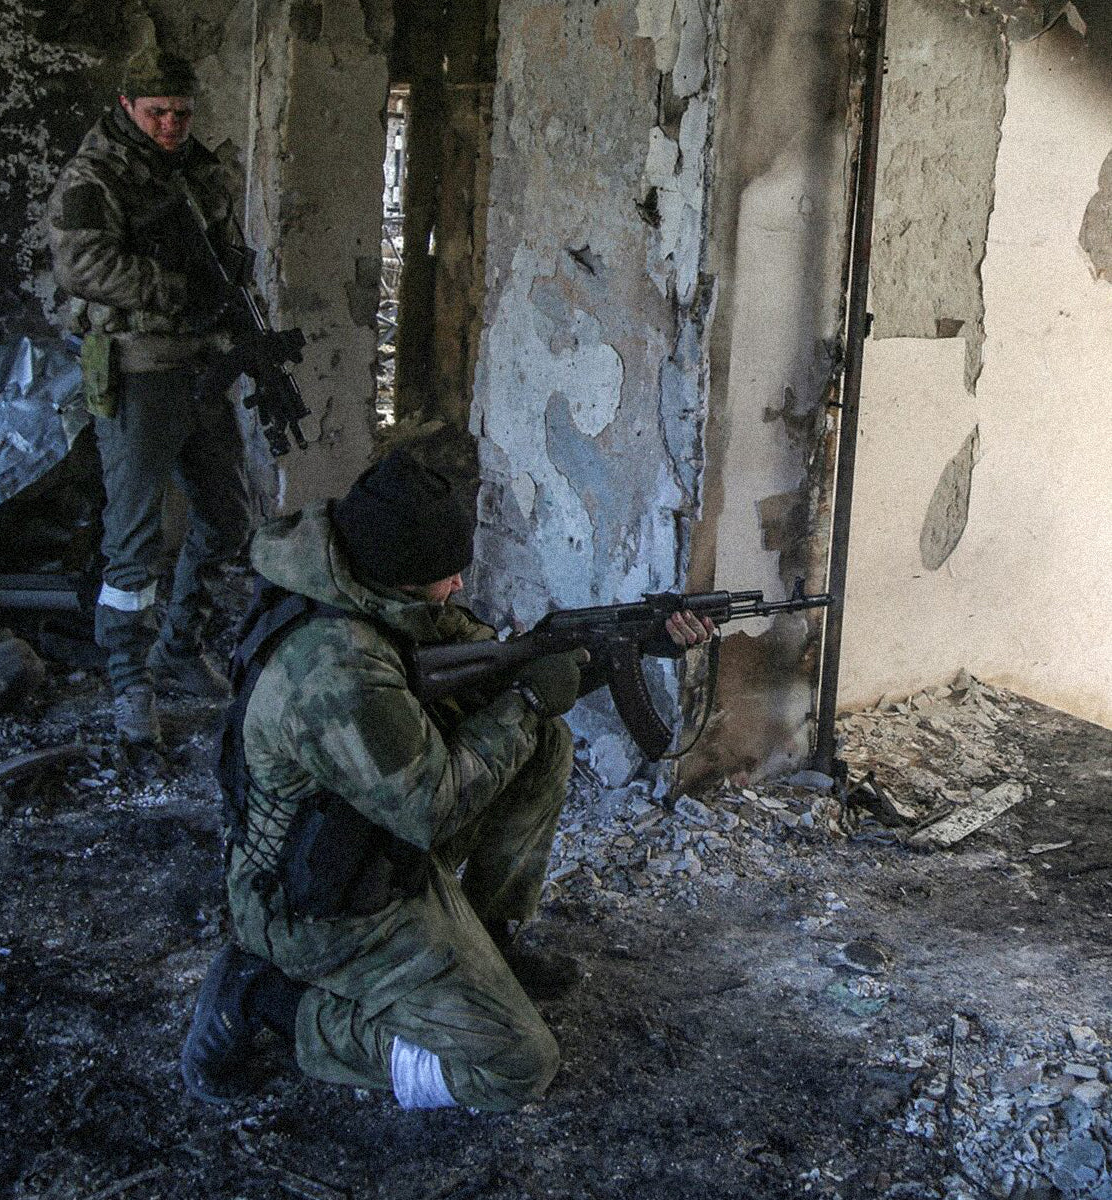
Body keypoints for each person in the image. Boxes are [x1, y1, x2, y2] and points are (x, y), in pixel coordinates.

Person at [180, 442, 714, 1112]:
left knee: (542, 740)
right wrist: (523, 701)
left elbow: (509, 665)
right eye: (446, 573)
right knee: (515, 1066)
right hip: (319, 907)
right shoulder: (334, 669)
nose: (459, 584)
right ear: (400, 574)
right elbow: (433, 807)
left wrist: (630, 646)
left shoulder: (375, 596)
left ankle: (490, 939)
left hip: (367, 849)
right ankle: (267, 1000)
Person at [46, 48, 253, 745]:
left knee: (228, 519)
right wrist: (175, 290)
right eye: (157, 112)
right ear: (128, 106)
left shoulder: (198, 169)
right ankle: (130, 681)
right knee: (133, 545)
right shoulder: (95, 173)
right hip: (138, 369)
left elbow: (228, 257)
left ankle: (179, 647)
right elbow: (81, 263)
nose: (171, 125)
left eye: (182, 113)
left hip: (199, 366)